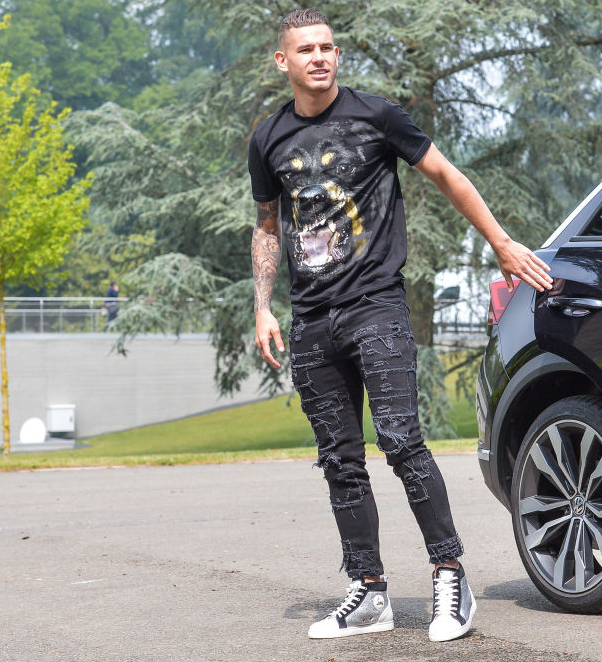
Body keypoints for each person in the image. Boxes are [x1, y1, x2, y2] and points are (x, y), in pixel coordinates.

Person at [248, 8, 553, 643]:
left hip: (376, 307)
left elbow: (445, 174)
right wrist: (262, 305)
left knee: (401, 442)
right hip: (311, 320)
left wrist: (499, 242)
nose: (319, 57)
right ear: (283, 61)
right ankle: (369, 592)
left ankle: (450, 574)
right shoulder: (268, 138)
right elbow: (269, 224)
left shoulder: (377, 116)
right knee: (339, 460)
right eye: (306, 50)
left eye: (328, 47)